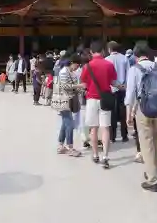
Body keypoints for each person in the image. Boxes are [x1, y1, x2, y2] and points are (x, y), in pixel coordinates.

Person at [125, 41, 157, 191]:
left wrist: (128, 114)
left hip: (143, 110)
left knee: (146, 144)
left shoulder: (134, 69)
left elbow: (130, 95)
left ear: (136, 55)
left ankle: (152, 179)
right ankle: (151, 171)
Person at [80, 40, 118, 169]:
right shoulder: (109, 64)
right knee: (105, 128)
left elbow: (84, 84)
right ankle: (106, 157)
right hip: (105, 99)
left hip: (91, 99)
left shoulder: (87, 66)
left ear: (91, 52)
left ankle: (95, 154)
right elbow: (113, 82)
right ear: (103, 51)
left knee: (93, 128)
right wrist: (121, 86)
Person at [55, 54, 83, 157]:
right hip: (64, 100)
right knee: (70, 124)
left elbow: (73, 86)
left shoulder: (71, 72)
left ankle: (60, 146)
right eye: (77, 65)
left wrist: (79, 89)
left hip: (69, 100)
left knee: (65, 123)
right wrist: (78, 86)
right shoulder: (63, 71)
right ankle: (70, 147)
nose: (77, 67)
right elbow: (65, 86)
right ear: (72, 63)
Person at [105, 41, 130, 143]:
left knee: (112, 113)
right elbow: (128, 73)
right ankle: (124, 135)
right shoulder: (124, 58)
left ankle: (112, 136)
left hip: (111, 88)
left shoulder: (106, 60)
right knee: (123, 112)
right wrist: (126, 86)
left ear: (109, 49)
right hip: (123, 88)